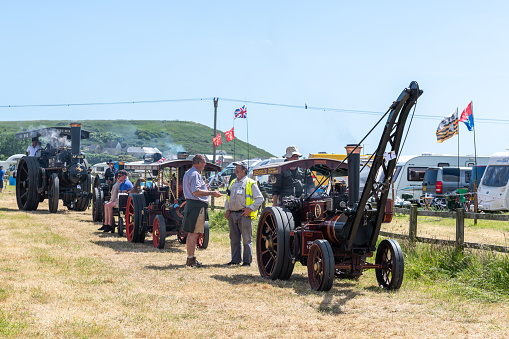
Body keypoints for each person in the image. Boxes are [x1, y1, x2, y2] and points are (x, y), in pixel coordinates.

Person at [182, 154, 222, 267]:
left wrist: (205, 189)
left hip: (193, 205)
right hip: (196, 206)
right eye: (204, 163)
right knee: (193, 234)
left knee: (192, 233)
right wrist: (211, 193)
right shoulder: (194, 174)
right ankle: (191, 259)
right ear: (199, 163)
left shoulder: (189, 173)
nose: (205, 165)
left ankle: (191, 258)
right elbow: (196, 192)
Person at [224, 160, 264, 266]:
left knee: (247, 239)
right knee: (234, 239)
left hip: (244, 215)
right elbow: (227, 198)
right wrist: (227, 210)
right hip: (232, 214)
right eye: (235, 168)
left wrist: (250, 209)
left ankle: (247, 261)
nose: (235, 170)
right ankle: (235, 260)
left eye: (238, 168)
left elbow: (260, 199)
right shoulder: (233, 182)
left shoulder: (250, 183)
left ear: (244, 170)